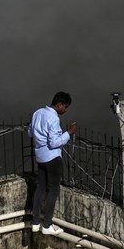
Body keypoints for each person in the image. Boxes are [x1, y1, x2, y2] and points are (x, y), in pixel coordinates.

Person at [28, 91, 77, 235]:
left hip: (40, 157)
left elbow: (30, 132)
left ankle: (35, 222)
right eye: (65, 107)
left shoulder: (37, 113)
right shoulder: (54, 118)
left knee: (40, 188)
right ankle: (47, 225)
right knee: (53, 191)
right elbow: (54, 142)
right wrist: (69, 133)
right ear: (59, 104)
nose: (65, 110)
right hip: (52, 159)